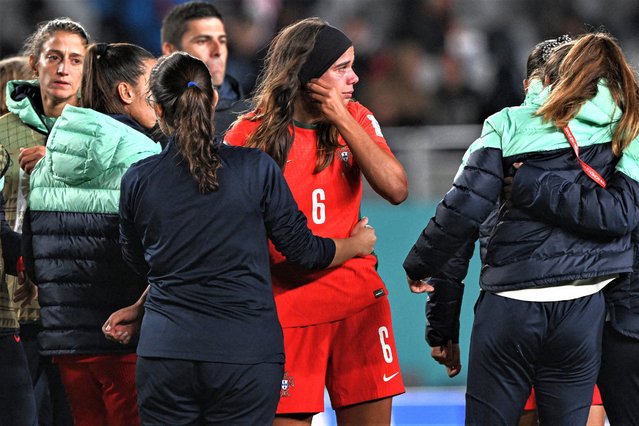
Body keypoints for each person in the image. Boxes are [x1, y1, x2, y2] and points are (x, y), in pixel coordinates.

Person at [101, 51, 377, 425]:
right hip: (245, 353)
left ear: (158, 109)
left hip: (166, 352)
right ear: (213, 99)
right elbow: (305, 251)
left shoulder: (138, 178)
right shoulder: (255, 168)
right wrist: (356, 245)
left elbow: (138, 259)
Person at [403, 31, 639, 425]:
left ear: (534, 83)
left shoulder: (504, 128)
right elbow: (619, 217)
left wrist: (436, 312)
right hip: (586, 308)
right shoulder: (623, 128)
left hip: (509, 304)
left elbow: (459, 222)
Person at [224, 17, 408, 425]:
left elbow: (396, 189)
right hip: (284, 311)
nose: (354, 77)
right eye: (341, 67)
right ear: (307, 73)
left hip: (358, 306)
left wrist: (341, 117)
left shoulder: (356, 118)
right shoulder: (248, 135)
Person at [20, 42, 161, 426]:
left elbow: (33, 259)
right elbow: (160, 254)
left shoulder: (48, 158)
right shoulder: (145, 157)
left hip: (68, 346)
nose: (161, 93)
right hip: (126, 342)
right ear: (126, 92)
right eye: (154, 82)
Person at [0, 18, 91, 426]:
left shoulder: (105, 134)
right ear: (35, 64)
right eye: (54, 57)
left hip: (83, 309)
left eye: (76, 59)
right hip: (14, 309)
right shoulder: (3, 133)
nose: (64, 68)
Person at [160, 1, 250, 138]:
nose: (217, 51)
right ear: (171, 50)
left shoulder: (253, 117)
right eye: (202, 41)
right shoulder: (148, 121)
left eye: (222, 41)